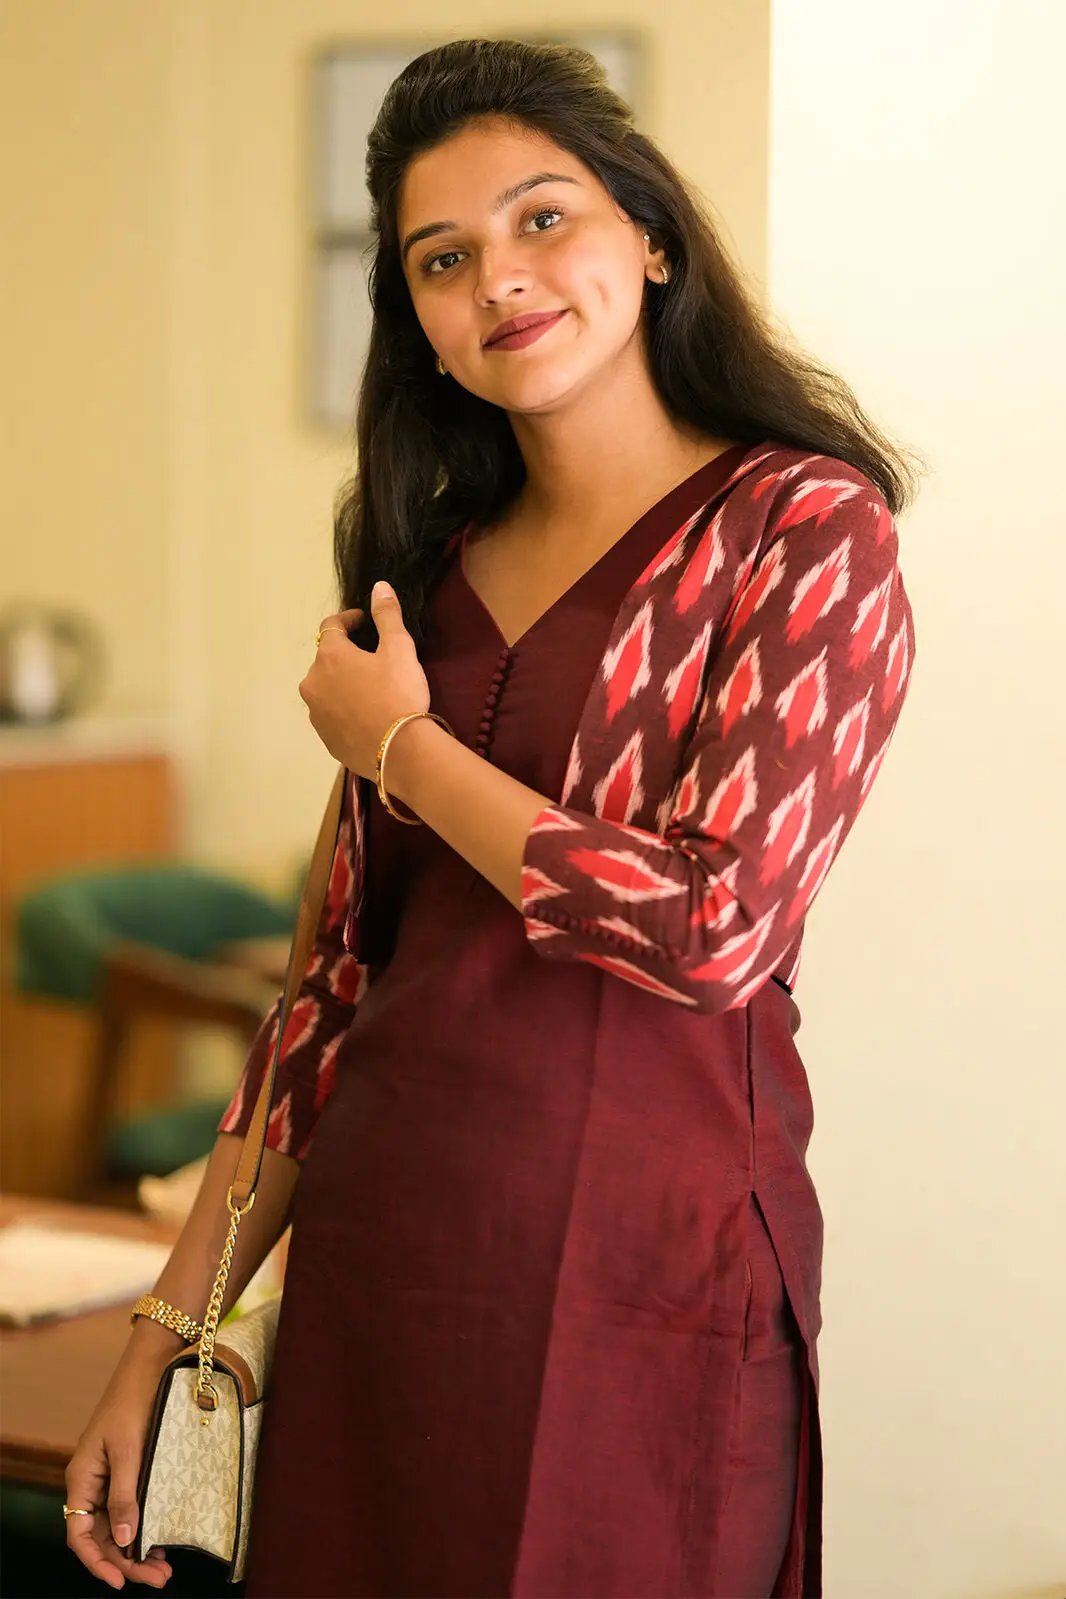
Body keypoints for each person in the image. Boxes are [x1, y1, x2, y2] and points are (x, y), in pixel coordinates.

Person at [65, 37, 921, 1599]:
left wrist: (397, 741)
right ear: (423, 329)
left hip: (646, 1280)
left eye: (544, 220)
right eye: (443, 258)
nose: (500, 281)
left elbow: (710, 931)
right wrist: (173, 1334)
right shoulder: (425, 566)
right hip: (386, 1268)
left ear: (648, 239)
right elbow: (329, 990)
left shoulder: (800, 533)